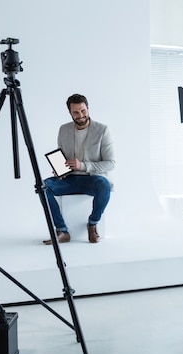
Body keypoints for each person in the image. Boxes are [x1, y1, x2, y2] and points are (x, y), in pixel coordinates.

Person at [43, 94, 115, 244]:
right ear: (70, 112)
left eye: (83, 110)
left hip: (92, 178)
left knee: (104, 185)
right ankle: (62, 231)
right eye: (75, 112)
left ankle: (93, 224)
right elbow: (61, 155)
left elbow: (110, 163)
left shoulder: (102, 130)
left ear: (88, 108)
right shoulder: (63, 130)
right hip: (69, 178)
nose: (80, 115)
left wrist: (82, 165)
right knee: (43, 186)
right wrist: (60, 169)